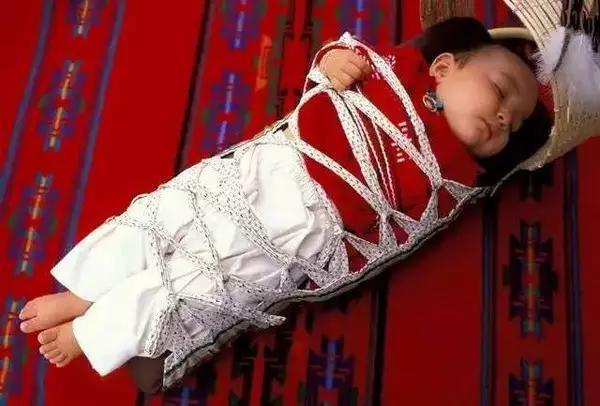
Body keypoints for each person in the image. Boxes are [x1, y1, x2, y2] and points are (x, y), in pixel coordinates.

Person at [18, 17, 550, 380]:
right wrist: (334, 60)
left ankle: (97, 330)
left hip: (305, 229)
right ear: (444, 67)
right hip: (272, 164)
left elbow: (401, 233)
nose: (505, 116)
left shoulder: (458, 176)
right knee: (165, 213)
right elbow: (331, 71)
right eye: (500, 90)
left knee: (202, 282)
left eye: (515, 122)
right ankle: (88, 288)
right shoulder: (396, 70)